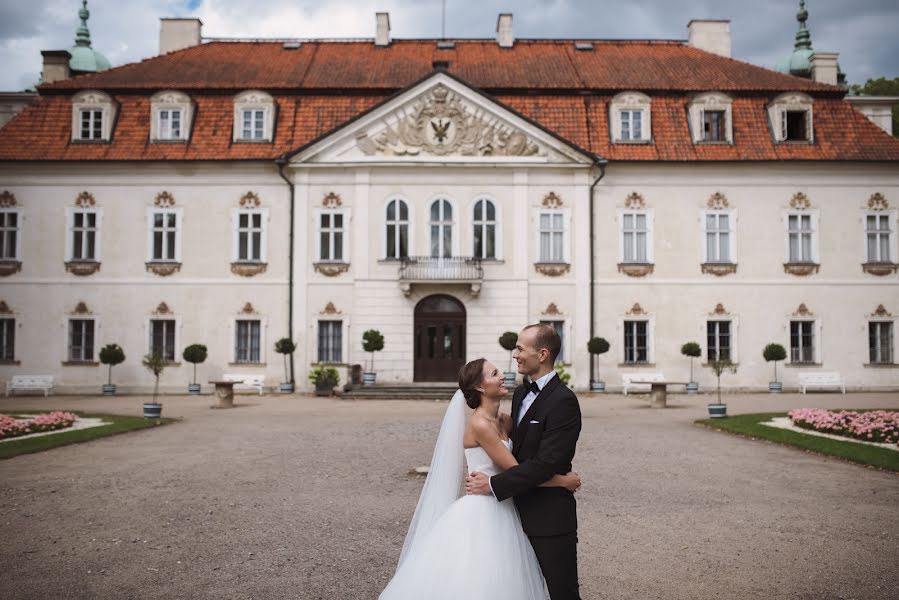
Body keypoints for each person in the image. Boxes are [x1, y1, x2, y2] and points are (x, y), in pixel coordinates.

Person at [379, 357, 581, 600]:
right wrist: (562, 481)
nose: (502, 375)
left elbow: (532, 455)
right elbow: (516, 471)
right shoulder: (481, 425)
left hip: (508, 502)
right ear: (480, 386)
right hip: (486, 508)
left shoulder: (505, 419)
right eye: (494, 373)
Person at [466, 323, 583, 600]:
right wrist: (563, 481)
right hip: (510, 515)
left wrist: (494, 484)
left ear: (542, 354)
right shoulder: (519, 394)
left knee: (562, 593)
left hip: (549, 517)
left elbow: (544, 463)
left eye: (520, 348)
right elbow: (515, 453)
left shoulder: (564, 401)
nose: (515, 354)